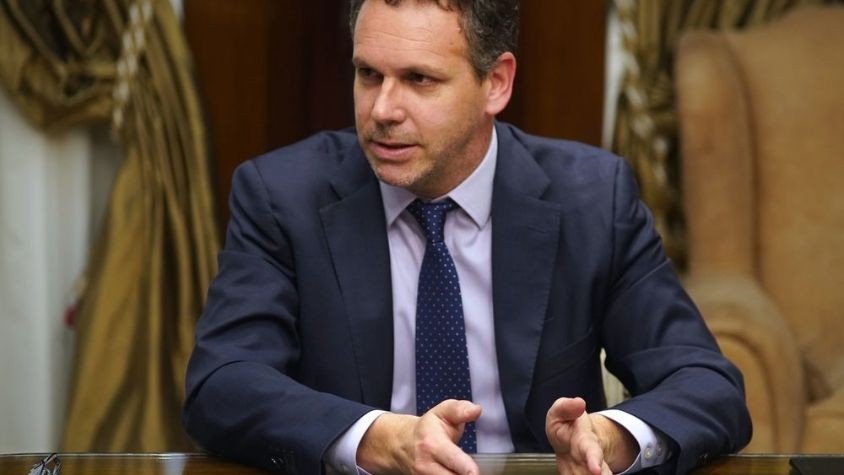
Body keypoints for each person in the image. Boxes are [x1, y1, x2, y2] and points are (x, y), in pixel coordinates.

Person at [182, 1, 752, 474]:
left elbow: (706, 385)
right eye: (368, 74)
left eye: (419, 80)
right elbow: (222, 384)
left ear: (495, 84)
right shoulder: (283, 196)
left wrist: (611, 437)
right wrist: (378, 439)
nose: (382, 109)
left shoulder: (592, 199)